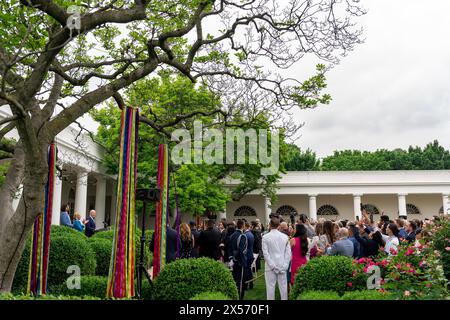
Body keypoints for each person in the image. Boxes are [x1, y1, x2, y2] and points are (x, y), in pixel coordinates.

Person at [262, 218, 292, 300]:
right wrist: (285, 265)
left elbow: (265, 254)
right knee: (283, 289)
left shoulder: (265, 237)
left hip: (271, 267)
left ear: (270, 225)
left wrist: (272, 266)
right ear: (279, 226)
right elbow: (288, 253)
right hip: (280, 265)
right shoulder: (285, 237)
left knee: (270, 288)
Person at [229, 220, 249, 300]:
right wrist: (236, 256)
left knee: (234, 279)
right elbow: (242, 250)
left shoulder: (232, 235)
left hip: (233, 261)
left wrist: (231, 258)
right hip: (240, 261)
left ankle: (234, 295)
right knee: (241, 281)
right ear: (243, 226)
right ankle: (239, 297)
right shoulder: (243, 236)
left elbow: (229, 248)